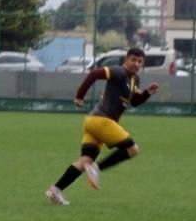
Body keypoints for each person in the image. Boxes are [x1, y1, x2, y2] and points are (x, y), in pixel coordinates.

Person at [45, 47, 158, 205]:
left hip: (92, 122)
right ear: (126, 59)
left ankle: (55, 190)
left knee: (85, 160)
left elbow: (133, 102)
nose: (136, 64)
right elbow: (94, 74)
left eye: (140, 62)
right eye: (133, 60)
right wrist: (80, 96)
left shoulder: (134, 80)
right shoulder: (119, 72)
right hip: (102, 121)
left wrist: (146, 93)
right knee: (133, 150)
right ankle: (96, 168)